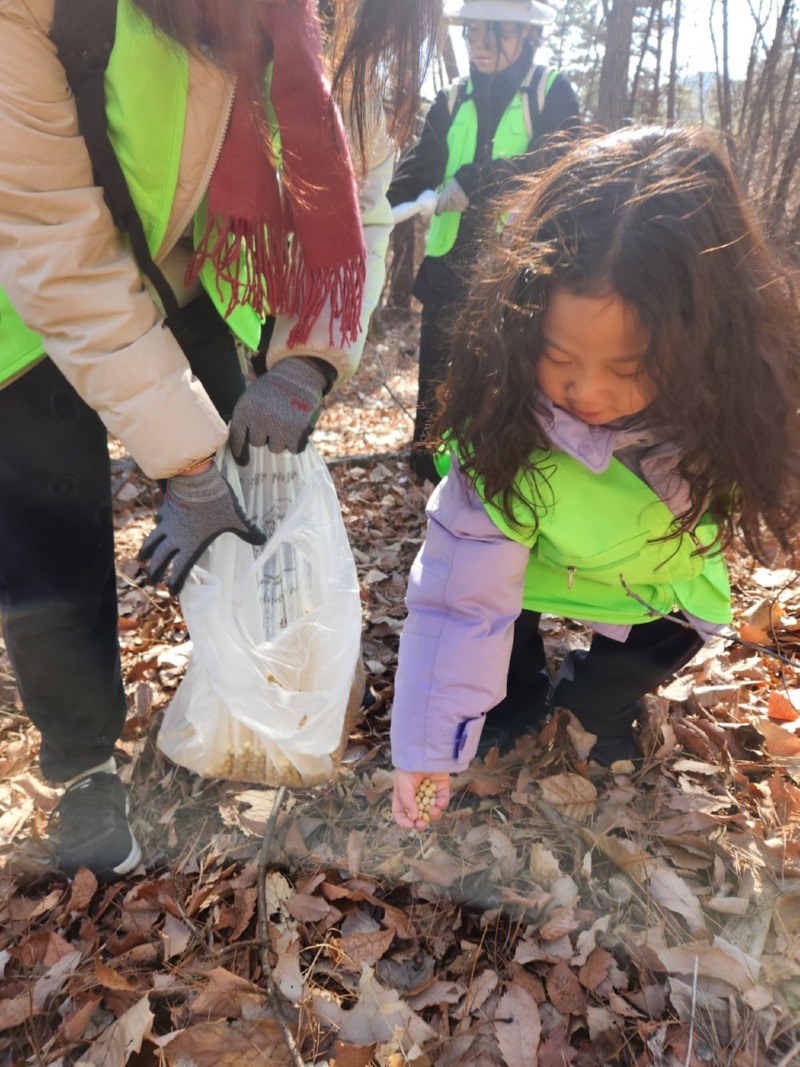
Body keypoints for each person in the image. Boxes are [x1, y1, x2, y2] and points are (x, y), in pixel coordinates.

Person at [0, 0, 441, 880]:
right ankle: (84, 763)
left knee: (250, 493)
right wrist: (183, 461)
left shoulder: (340, 17)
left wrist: (309, 359)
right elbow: (58, 248)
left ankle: (245, 699)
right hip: (25, 288)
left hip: (181, 270)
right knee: (51, 532)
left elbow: (356, 199)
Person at [389, 124, 800, 831]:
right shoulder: (507, 427)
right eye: (558, 356)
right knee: (497, 635)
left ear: (706, 339)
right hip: (534, 565)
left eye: (629, 366)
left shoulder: (741, 406)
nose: (587, 391)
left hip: (653, 579)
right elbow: (461, 600)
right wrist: (428, 748)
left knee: (656, 648)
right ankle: (513, 702)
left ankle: (590, 703)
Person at [387, 0, 580, 485]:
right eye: (473, 32)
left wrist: (476, 179)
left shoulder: (550, 93)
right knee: (436, 387)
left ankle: (494, 486)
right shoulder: (452, 100)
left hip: (514, 276)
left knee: (501, 386)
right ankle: (432, 482)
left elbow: (559, 166)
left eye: (496, 33)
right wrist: (369, 210)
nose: (480, 45)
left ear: (526, 34)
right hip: (448, 272)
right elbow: (419, 168)